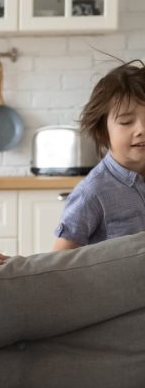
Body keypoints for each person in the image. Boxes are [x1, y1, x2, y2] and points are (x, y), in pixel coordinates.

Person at [53, 60, 145, 250]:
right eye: (126, 122)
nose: (141, 130)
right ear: (103, 131)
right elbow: (58, 261)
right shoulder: (92, 193)